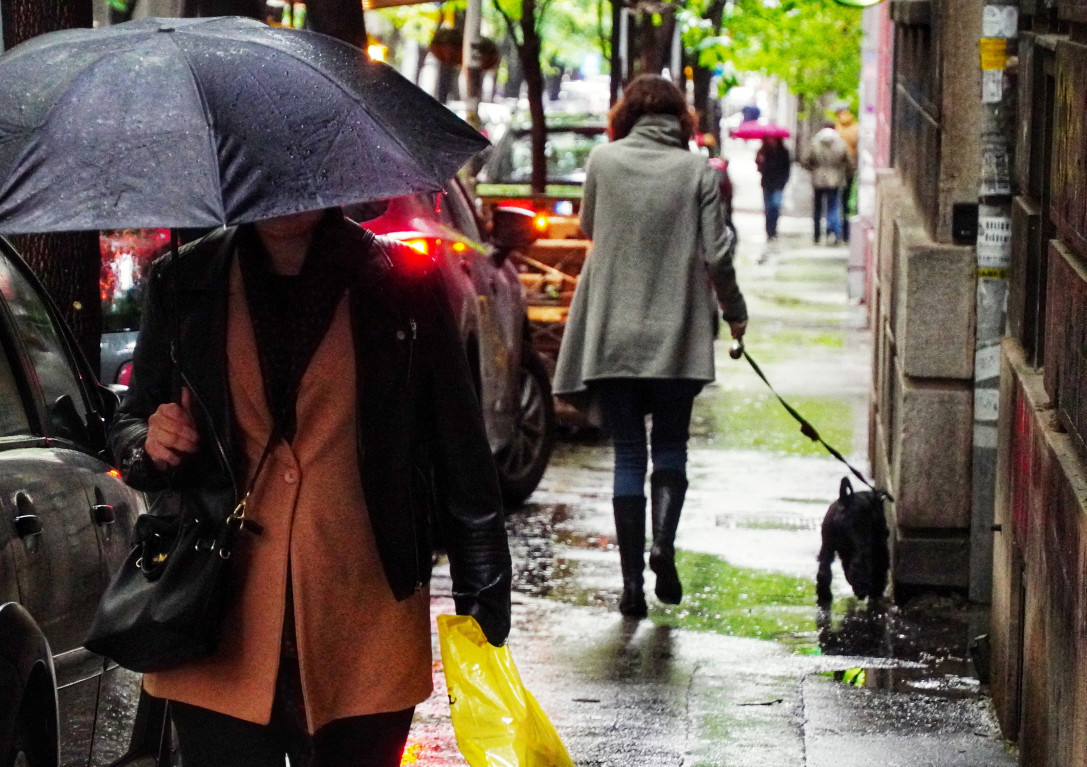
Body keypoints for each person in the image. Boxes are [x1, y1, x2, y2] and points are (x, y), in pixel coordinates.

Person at [108, 208, 512, 766]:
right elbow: (130, 423)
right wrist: (150, 441)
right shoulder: (186, 278)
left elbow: (457, 445)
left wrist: (484, 591)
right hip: (214, 610)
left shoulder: (400, 280)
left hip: (367, 612)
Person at [552, 74, 748, 617]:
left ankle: (632, 586)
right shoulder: (696, 171)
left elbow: (590, 225)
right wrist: (735, 313)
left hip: (611, 330)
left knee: (627, 455)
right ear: (680, 119)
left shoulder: (603, 161)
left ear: (627, 116)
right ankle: (664, 542)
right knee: (669, 448)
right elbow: (717, 254)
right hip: (677, 334)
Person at [800, 121, 855, 245]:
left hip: (818, 179)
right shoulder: (840, 144)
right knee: (833, 206)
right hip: (834, 180)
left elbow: (805, 160)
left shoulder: (815, 143)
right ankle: (834, 232)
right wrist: (843, 172)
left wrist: (814, 170)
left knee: (818, 208)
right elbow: (849, 162)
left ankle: (817, 235)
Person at [755, 136, 791, 242]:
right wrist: (760, 161)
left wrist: (784, 181)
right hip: (767, 183)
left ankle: (774, 229)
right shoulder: (763, 151)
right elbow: (759, 167)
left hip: (778, 184)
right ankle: (769, 231)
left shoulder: (784, 152)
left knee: (776, 206)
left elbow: (787, 168)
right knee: (768, 208)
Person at [834, 103, 860, 242]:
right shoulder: (856, 128)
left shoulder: (836, 128)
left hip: (835, 169)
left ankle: (834, 230)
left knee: (833, 201)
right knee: (846, 200)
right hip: (849, 169)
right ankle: (846, 233)